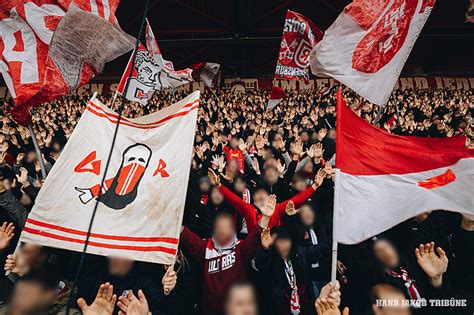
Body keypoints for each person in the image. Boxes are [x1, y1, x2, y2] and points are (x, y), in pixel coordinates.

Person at [179, 194, 277, 315]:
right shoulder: (205, 247)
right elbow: (188, 238)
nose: (223, 230)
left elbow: (254, 238)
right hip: (211, 311)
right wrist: (175, 223)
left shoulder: (240, 247)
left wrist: (266, 217)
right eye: (220, 227)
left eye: (227, 227)